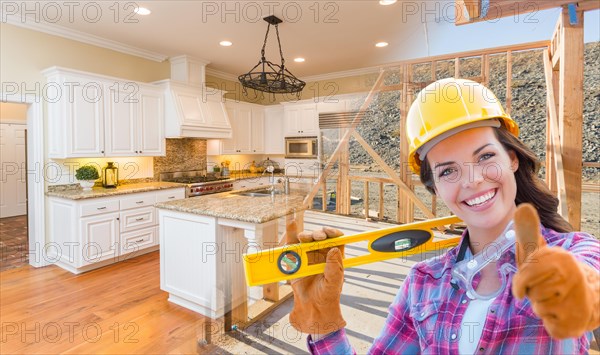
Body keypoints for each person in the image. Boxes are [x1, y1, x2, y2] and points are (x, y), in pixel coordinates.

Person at [286, 78, 600, 354]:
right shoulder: (422, 283)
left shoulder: (573, 251)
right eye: (448, 170)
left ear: (512, 160)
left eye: (485, 156)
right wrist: (324, 325)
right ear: (435, 186)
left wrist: (574, 289)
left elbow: (590, 278)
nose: (472, 180)